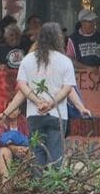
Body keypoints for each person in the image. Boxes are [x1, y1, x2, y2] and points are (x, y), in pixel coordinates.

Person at [17, 22, 76, 170]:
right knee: (56, 154)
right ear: (58, 38)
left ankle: (38, 184)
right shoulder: (65, 61)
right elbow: (67, 88)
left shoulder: (28, 60)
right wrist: (50, 103)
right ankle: (53, 188)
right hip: (58, 114)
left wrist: (38, 102)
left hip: (34, 114)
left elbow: (22, 85)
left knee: (37, 153)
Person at [0, 104, 29, 185]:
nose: (12, 111)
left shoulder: (24, 121)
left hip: (19, 150)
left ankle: (27, 184)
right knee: (5, 151)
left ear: (19, 111)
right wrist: (14, 148)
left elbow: (28, 138)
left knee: (29, 152)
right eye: (11, 108)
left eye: (15, 108)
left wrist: (24, 148)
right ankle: (6, 185)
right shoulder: (2, 120)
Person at [66, 9, 100, 73]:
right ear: (82, 22)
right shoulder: (73, 39)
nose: (93, 24)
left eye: (94, 21)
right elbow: (70, 59)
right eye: (90, 21)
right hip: (82, 78)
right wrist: (87, 67)